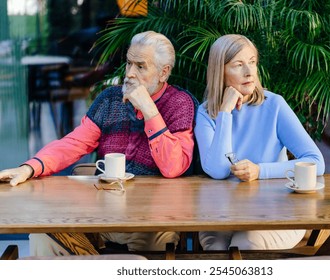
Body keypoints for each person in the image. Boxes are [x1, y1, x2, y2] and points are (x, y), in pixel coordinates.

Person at [0, 31, 198, 256]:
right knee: (42, 234)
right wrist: (30, 167)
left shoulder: (180, 104)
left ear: (164, 73)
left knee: (157, 247)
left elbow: (174, 167)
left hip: (152, 220)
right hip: (101, 215)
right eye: (129, 63)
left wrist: (149, 110)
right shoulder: (110, 99)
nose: (130, 74)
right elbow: (74, 142)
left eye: (140, 66)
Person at [194, 34, 325, 251]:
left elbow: (316, 162)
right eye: (238, 64)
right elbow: (217, 170)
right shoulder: (206, 113)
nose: (249, 72)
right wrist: (225, 112)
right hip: (222, 213)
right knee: (215, 247)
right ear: (220, 71)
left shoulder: (274, 105)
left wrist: (260, 170)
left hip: (277, 212)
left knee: (245, 243)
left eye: (252, 62)